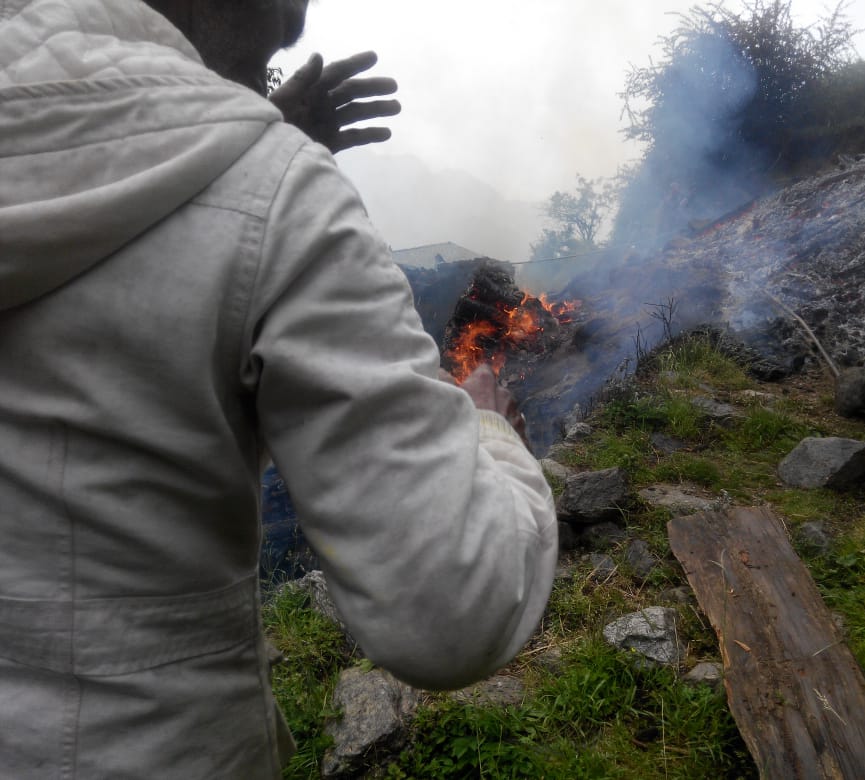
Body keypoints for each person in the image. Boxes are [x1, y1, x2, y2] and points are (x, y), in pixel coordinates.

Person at [0, 1, 558, 777]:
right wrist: (491, 433)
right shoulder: (284, 193)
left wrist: (251, 134)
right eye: (283, 22)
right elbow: (452, 606)